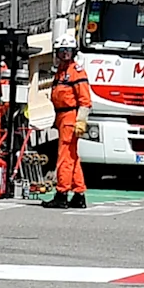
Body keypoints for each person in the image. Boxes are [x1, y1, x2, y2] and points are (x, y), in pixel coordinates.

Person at [45, 45, 91, 208]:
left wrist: (81, 120)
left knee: (64, 156)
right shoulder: (61, 71)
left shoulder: (75, 71)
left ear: (73, 52)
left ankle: (62, 193)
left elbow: (85, 100)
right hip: (62, 117)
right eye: (61, 51)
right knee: (72, 157)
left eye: (68, 51)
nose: (64, 54)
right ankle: (79, 193)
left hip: (70, 117)